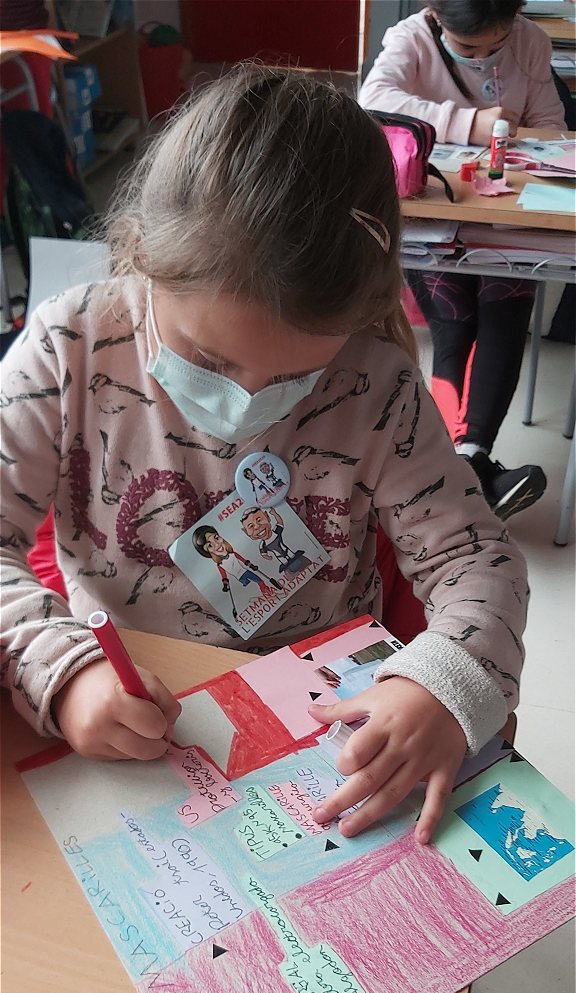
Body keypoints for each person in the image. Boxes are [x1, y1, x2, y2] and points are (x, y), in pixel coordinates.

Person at [1, 64, 528, 845]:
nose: (245, 402)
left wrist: (442, 687)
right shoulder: (69, 345)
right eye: (208, 360)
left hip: (317, 715)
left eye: (294, 377)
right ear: (144, 252)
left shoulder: (377, 384)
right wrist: (63, 670)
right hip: (127, 698)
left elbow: (478, 558)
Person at [360, 0, 565, 518]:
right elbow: (372, 99)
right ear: (435, 14)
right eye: (469, 47)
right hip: (436, 215)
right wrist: (471, 124)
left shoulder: (531, 42)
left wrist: (527, 144)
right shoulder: (411, 38)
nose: (484, 56)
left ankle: (465, 464)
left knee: (505, 311)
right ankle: (468, 472)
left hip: (506, 213)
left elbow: (552, 127)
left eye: (498, 42)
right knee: (455, 321)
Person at [192, 526, 279, 618]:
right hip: (241, 577)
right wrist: (225, 584)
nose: (217, 545)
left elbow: (243, 560)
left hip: (245, 571)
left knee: (260, 581)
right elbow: (224, 576)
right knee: (251, 588)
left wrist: (250, 565)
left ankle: (267, 592)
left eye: (216, 538)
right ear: (208, 552)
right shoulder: (220, 564)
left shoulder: (232, 554)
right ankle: (258, 601)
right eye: (210, 545)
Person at [240, 507, 311, 576]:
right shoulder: (263, 544)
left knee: (298, 561)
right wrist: (267, 557)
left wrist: (275, 514)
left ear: (267, 517)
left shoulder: (276, 532)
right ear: (246, 532)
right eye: (251, 526)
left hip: (290, 553)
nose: (257, 527)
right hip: (282, 559)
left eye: (259, 520)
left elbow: (280, 522)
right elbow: (263, 553)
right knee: (290, 569)